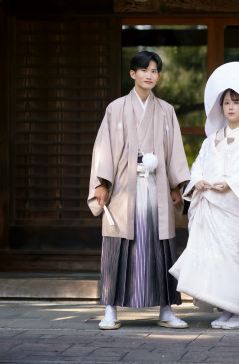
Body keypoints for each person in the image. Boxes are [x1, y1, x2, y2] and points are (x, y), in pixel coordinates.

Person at [87, 50, 190, 330]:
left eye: (155, 71)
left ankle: (166, 309)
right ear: (133, 74)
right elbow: (104, 147)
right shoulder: (116, 108)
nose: (150, 75)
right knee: (118, 245)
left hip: (156, 185)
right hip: (124, 187)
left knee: (160, 245)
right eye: (145, 70)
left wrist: (175, 185)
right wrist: (101, 183)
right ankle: (110, 309)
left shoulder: (166, 110)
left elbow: (175, 151)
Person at [169, 62, 239, 330]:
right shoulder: (210, 138)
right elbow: (198, 165)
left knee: (236, 259)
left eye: (236, 102)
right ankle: (226, 309)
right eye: (226, 102)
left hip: (235, 208)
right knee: (216, 261)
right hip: (211, 206)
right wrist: (197, 181)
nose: (231, 107)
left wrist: (231, 184)